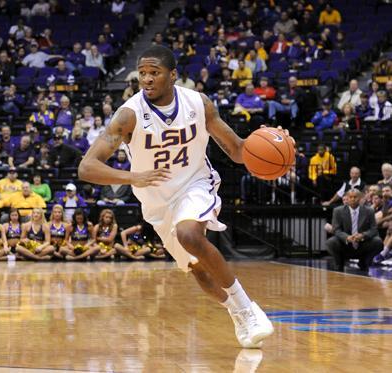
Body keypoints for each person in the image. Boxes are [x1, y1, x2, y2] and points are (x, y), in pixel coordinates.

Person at [78, 45, 276, 348]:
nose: (146, 79)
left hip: (195, 182)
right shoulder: (129, 115)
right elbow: (87, 167)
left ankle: (248, 309)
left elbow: (237, 150)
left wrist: (261, 144)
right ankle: (237, 311)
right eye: (142, 73)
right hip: (156, 201)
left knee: (189, 233)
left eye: (154, 73)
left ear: (173, 75)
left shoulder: (199, 104)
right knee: (198, 271)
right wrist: (133, 177)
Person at [325, 189, 382, 272]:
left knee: (378, 242)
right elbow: (337, 230)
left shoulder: (369, 211)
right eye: (350, 197)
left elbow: (373, 229)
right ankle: (339, 263)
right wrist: (347, 237)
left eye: (355, 197)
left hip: (362, 242)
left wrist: (363, 235)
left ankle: (364, 262)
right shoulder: (338, 211)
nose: (352, 199)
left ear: (360, 198)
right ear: (347, 198)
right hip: (345, 242)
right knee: (331, 242)